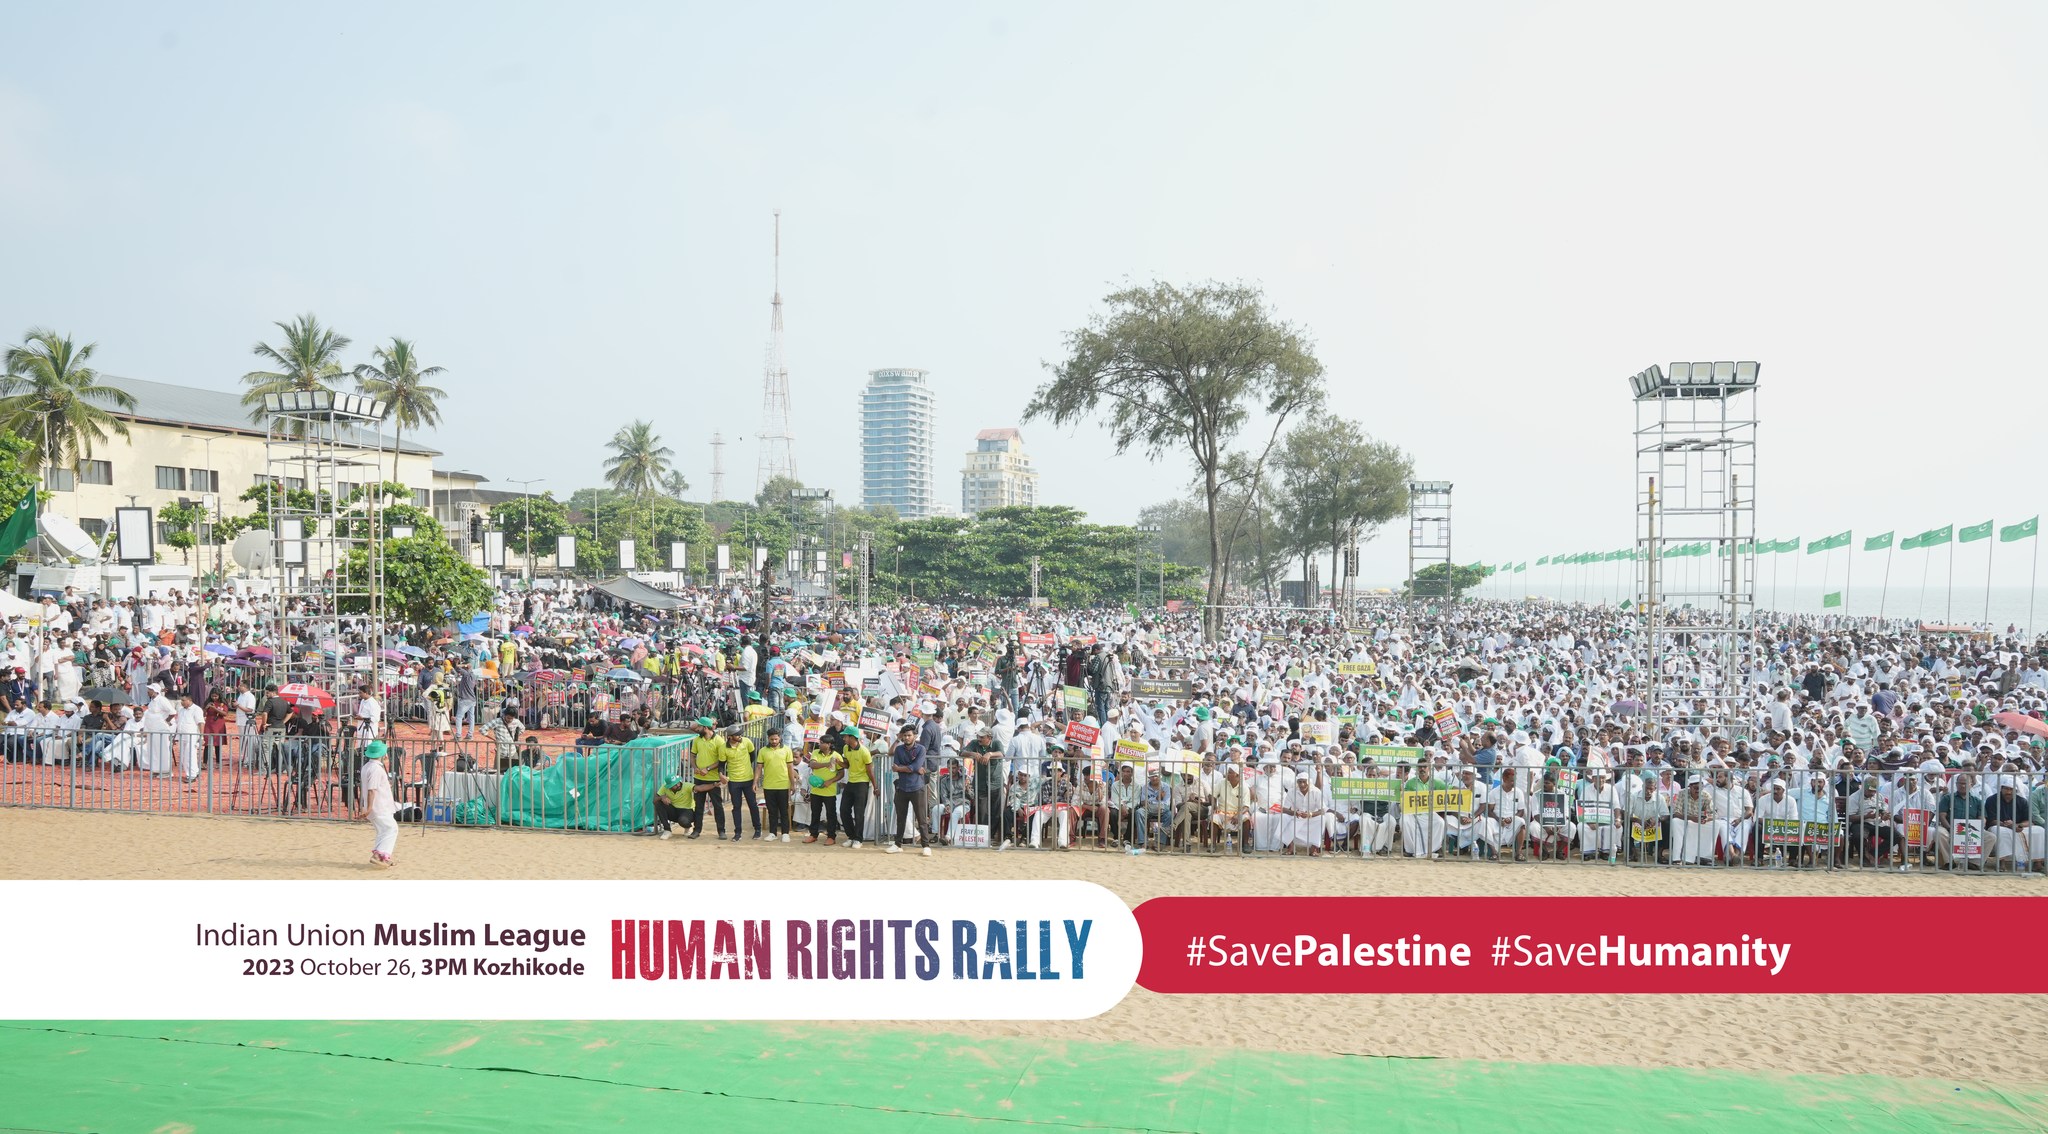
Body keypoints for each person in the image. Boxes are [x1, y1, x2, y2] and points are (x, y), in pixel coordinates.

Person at [888, 724, 932, 856]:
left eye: (909, 735)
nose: (907, 738)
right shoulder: (899, 749)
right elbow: (896, 766)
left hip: (917, 787)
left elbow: (915, 766)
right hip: (901, 787)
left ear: (915, 736)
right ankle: (897, 844)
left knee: (921, 818)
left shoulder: (921, 749)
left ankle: (926, 845)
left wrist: (905, 768)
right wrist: (911, 768)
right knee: (900, 818)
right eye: (905, 735)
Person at [353, 739, 398, 868]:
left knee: (383, 831)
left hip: (377, 805)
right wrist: (369, 808)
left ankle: (382, 856)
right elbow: (371, 789)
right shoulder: (375, 769)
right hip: (379, 806)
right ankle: (380, 854)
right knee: (391, 828)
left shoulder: (367, 766)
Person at [804, 734, 845, 845]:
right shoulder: (816, 752)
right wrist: (827, 764)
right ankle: (813, 834)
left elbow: (841, 773)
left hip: (829, 790)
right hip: (816, 790)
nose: (819, 744)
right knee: (815, 813)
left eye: (822, 742)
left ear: (829, 744)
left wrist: (830, 781)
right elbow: (812, 764)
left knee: (830, 814)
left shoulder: (837, 756)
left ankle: (831, 836)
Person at [757, 729, 794, 842]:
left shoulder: (787, 750)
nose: (774, 741)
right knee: (772, 811)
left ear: (780, 738)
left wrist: (792, 783)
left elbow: (790, 768)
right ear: (768, 738)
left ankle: (785, 833)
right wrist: (755, 782)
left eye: (776, 739)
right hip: (768, 785)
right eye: (772, 739)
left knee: (784, 810)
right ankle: (772, 833)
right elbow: (759, 768)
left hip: (783, 785)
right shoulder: (763, 751)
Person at [839, 730, 873, 848]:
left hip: (862, 783)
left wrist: (875, 786)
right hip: (851, 782)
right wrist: (839, 763)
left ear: (852, 737)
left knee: (859, 813)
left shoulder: (864, 751)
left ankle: (858, 839)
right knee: (843, 810)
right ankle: (851, 836)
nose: (844, 739)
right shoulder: (845, 748)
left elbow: (869, 770)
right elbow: (847, 765)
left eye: (846, 736)